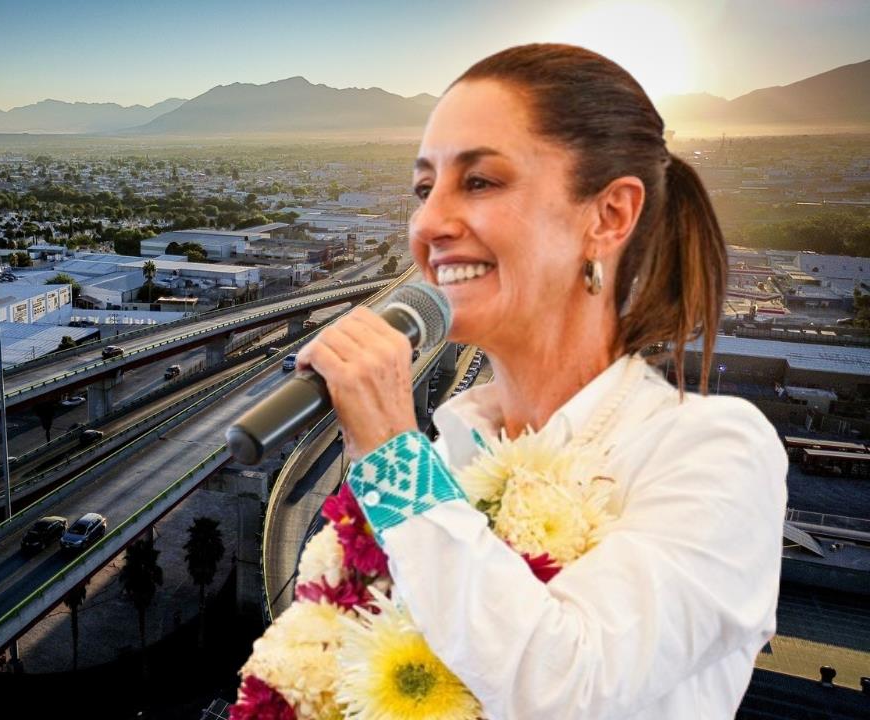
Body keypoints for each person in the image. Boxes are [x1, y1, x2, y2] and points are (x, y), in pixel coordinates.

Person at [294, 44, 787, 719]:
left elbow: (567, 687)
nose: (428, 223)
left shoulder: (712, 451)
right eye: (423, 188)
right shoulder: (451, 454)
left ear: (608, 216)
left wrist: (388, 454)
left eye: (480, 182)